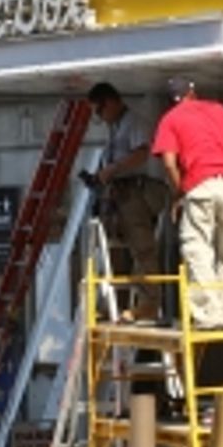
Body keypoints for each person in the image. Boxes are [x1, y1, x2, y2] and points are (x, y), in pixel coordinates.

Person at [152, 80, 223, 330]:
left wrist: (180, 191)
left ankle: (209, 312)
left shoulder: (170, 119)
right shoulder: (219, 109)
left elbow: (169, 163)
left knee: (197, 247)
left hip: (199, 185)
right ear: (192, 93)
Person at [87, 82, 166, 320]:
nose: (100, 117)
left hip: (137, 191)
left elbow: (142, 153)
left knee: (143, 248)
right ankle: (113, 303)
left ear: (110, 102)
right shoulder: (117, 126)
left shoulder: (134, 122)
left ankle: (149, 303)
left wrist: (114, 169)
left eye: (100, 111)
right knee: (122, 248)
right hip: (121, 193)